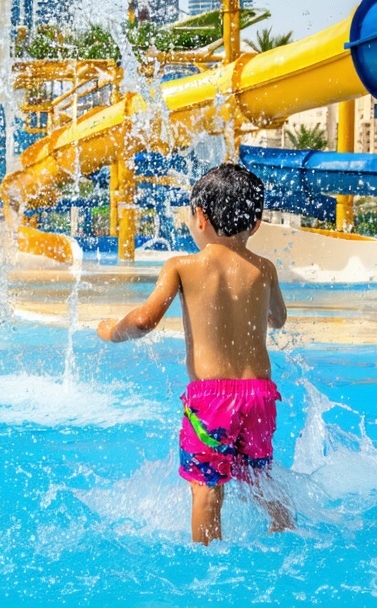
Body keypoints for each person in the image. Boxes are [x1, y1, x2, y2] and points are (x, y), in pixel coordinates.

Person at [96, 163, 292, 544]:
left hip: (212, 400)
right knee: (257, 479)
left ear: (199, 218)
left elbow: (143, 321)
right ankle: (286, 528)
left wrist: (108, 331)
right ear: (256, 223)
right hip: (260, 396)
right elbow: (279, 319)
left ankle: (207, 563)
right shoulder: (264, 268)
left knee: (206, 489)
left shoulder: (183, 265)